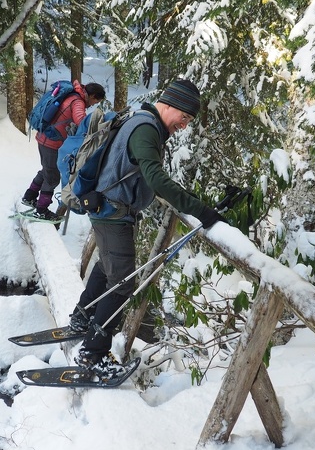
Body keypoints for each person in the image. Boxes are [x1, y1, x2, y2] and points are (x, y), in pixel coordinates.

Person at [68, 78, 227, 379]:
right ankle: (93, 355)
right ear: (172, 105)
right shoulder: (145, 130)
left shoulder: (143, 122)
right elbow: (156, 180)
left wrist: (194, 203)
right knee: (123, 282)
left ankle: (82, 318)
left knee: (108, 266)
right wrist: (201, 210)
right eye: (185, 117)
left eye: (190, 120)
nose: (185, 124)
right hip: (112, 212)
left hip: (108, 209)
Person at [22, 80, 106, 221]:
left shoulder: (72, 95)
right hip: (51, 142)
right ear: (92, 96)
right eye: (95, 102)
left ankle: (29, 197)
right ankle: (41, 210)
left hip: (45, 138)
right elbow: (81, 121)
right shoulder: (77, 102)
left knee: (46, 170)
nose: (93, 105)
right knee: (52, 177)